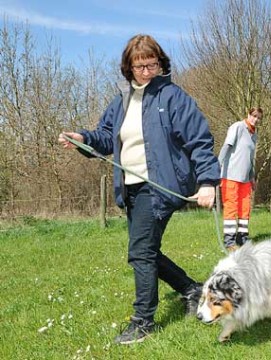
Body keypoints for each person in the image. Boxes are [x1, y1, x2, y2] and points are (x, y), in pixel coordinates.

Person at [58, 34, 220, 345]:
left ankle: (143, 321)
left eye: (152, 64)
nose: (147, 71)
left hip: (159, 186)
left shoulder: (173, 97)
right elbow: (107, 137)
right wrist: (83, 138)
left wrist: (208, 182)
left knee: (140, 252)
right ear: (128, 68)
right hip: (129, 186)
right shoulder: (122, 100)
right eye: (140, 66)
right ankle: (192, 290)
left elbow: (199, 139)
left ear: (161, 63)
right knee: (145, 251)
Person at [218, 107, 263, 251]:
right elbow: (226, 146)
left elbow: (250, 158)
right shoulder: (237, 127)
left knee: (245, 209)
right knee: (231, 207)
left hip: (245, 179)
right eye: (254, 116)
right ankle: (229, 242)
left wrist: (252, 177)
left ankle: (242, 238)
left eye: (258, 118)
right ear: (248, 114)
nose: (255, 120)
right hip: (230, 175)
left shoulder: (253, 135)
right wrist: (216, 166)